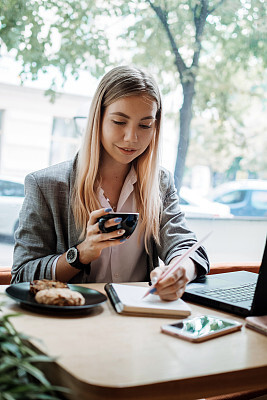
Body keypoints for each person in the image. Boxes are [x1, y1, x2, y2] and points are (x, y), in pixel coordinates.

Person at [12, 65, 209, 301]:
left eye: (145, 125)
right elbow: (22, 276)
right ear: (99, 119)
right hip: (74, 323)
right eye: (119, 122)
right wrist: (81, 254)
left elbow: (186, 245)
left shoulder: (160, 182)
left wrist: (178, 271)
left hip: (138, 320)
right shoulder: (46, 186)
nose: (131, 138)